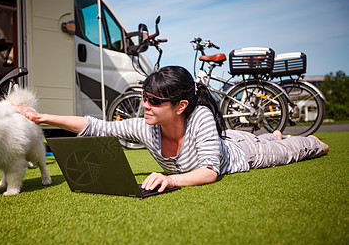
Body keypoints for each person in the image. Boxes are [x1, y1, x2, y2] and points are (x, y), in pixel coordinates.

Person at [16, 66, 329, 193]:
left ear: (180, 106)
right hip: (224, 140)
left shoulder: (202, 116)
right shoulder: (147, 127)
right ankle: (271, 133)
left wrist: (171, 179)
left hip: (242, 153)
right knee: (255, 136)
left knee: (291, 149)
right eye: (144, 98)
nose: (146, 106)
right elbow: (97, 126)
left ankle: (296, 139)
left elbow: (209, 172)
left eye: (154, 101)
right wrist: (44, 118)